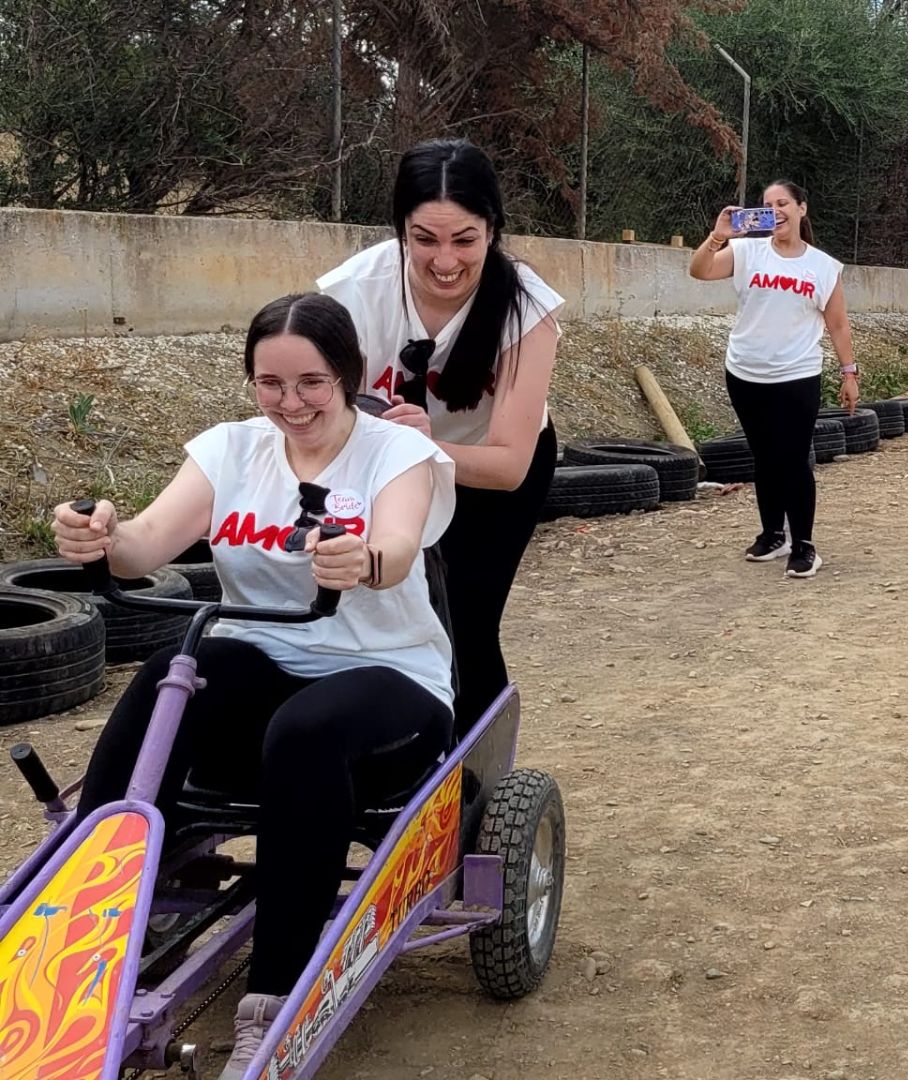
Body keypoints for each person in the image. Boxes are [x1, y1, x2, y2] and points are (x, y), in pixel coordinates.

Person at [50, 293, 457, 1080]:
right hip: (268, 663)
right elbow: (146, 544)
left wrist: (362, 561)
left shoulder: (395, 455)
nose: (290, 403)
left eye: (310, 383)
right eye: (270, 383)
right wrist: (101, 536)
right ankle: (79, 921)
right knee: (182, 669)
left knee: (305, 731)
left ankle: (271, 998)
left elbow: (400, 546)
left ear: (344, 375)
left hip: (388, 673)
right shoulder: (230, 450)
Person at [317, 138, 563, 729]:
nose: (444, 260)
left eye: (465, 240)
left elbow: (508, 466)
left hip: (491, 471)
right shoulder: (353, 292)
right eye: (424, 239)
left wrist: (424, 445)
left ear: (493, 230)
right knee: (369, 611)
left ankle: (479, 778)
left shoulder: (526, 308)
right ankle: (391, 749)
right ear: (400, 229)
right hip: (390, 466)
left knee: (464, 618)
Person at [686, 178, 858, 579]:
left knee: (794, 460)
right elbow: (699, 271)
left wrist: (849, 373)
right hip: (745, 373)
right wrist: (717, 236)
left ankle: (803, 545)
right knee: (763, 457)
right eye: (767, 204)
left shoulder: (823, 267)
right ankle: (772, 535)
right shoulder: (745, 251)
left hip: (797, 376)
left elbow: (838, 325)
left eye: (783, 203)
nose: (776, 210)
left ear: (801, 209)